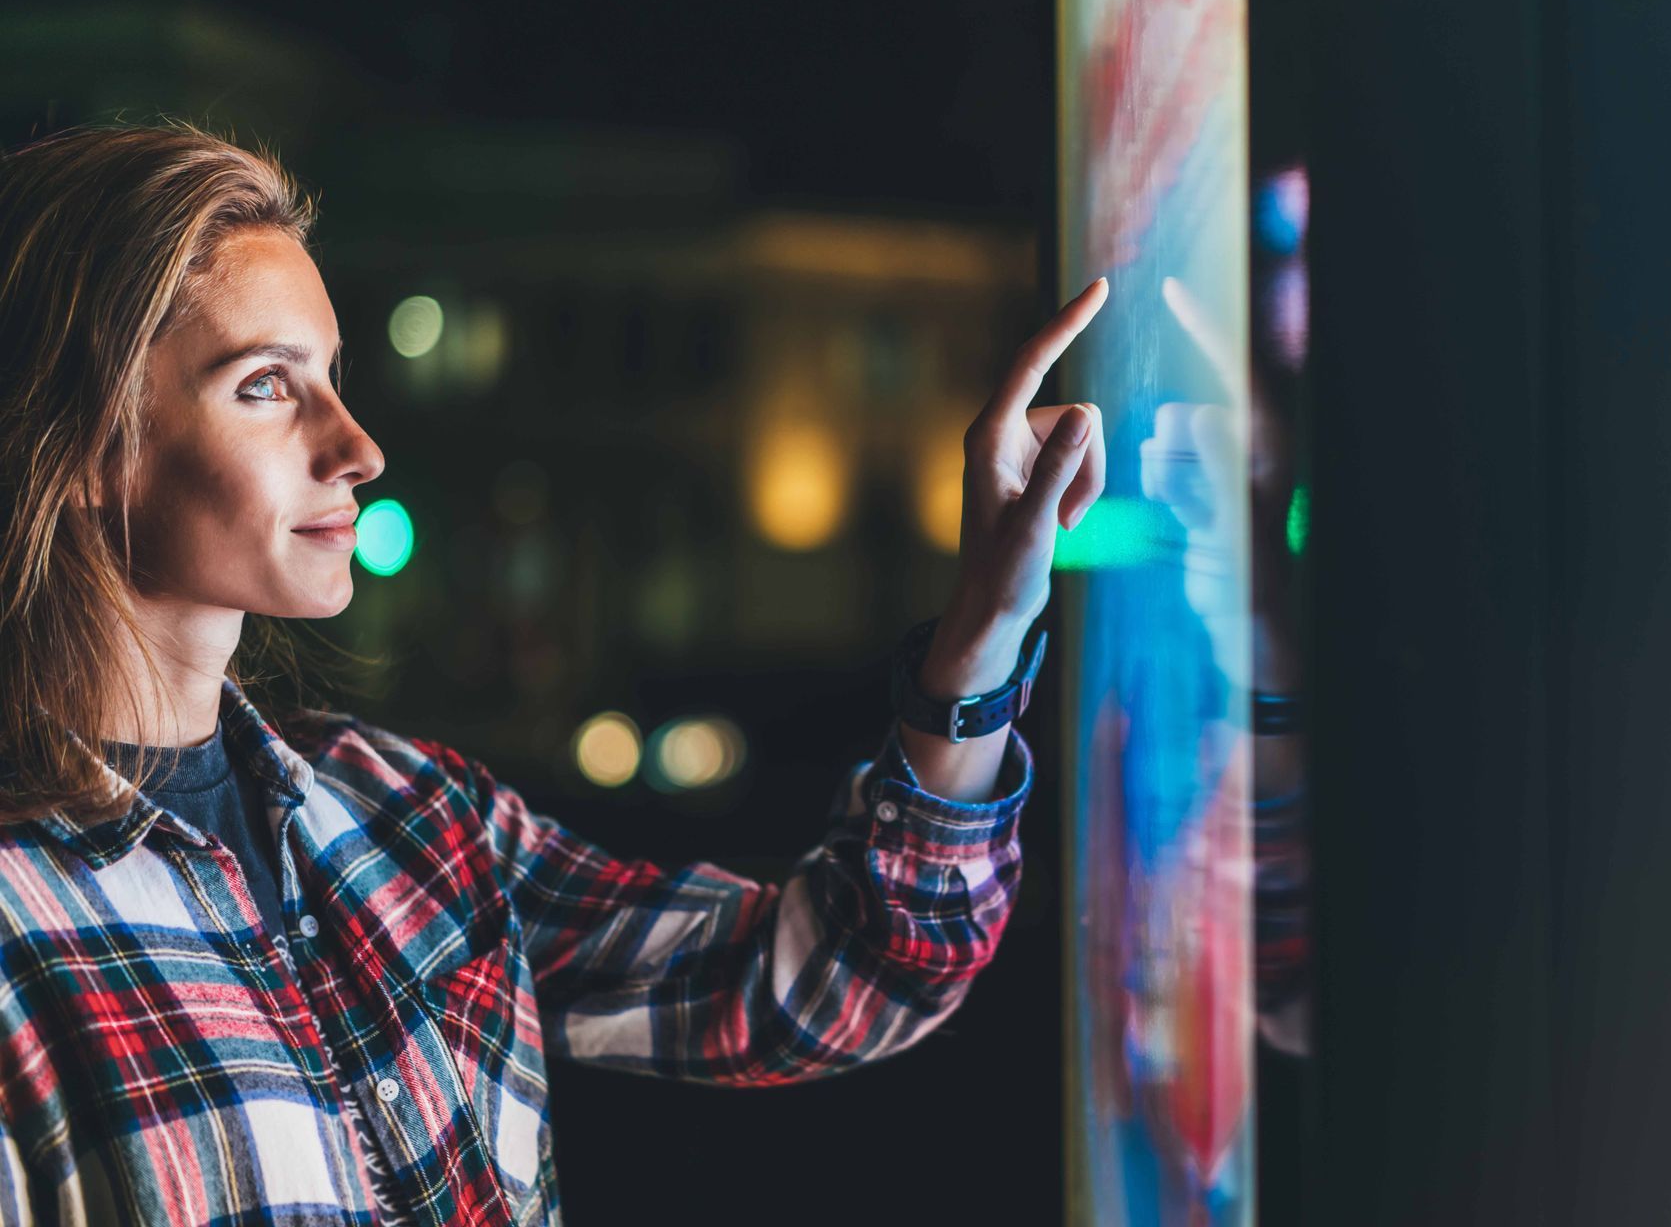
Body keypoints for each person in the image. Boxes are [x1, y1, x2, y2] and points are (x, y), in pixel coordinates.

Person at [0, 124, 1108, 1224]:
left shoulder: (412, 818)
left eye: (331, 375)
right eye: (265, 387)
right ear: (94, 447)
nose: (357, 446)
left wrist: (985, 631)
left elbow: (841, 976)